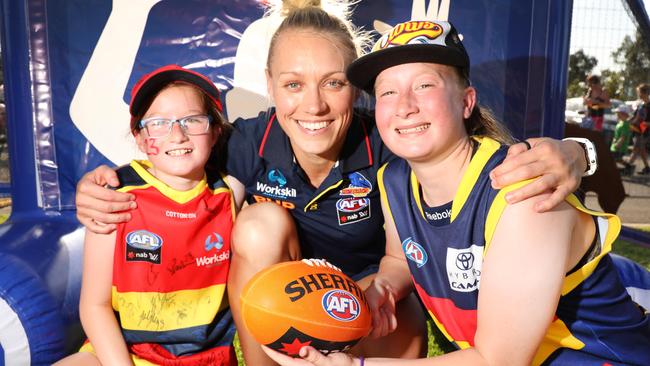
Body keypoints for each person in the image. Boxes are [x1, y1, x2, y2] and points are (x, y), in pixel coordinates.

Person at [74, 1, 593, 364]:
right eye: (293, 85)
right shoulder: (247, 141)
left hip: (377, 301)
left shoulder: (392, 137)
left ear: (356, 89)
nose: (314, 105)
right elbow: (172, 155)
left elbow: (473, 157)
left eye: (334, 83)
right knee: (257, 224)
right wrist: (102, 181)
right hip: (288, 295)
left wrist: (577, 152)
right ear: (271, 87)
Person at [262, 20, 650, 366]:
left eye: (424, 85)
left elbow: (498, 360)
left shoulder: (522, 192)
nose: (405, 107)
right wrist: (382, 287)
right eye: (388, 93)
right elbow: (400, 259)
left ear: (466, 101)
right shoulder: (394, 179)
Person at [56, 65, 237, 365]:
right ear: (140, 139)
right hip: (124, 354)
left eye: (192, 120)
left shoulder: (229, 193)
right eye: (158, 123)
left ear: (215, 131)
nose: (177, 134)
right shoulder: (113, 197)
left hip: (205, 359)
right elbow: (94, 306)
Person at [625, 83, 650, 175]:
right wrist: (630, 119)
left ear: (645, 93)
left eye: (639, 92)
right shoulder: (640, 104)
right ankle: (647, 168)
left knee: (637, 148)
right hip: (637, 130)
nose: (638, 94)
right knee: (641, 149)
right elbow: (635, 116)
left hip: (645, 132)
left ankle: (628, 166)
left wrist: (646, 123)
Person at [610, 104, 632, 170]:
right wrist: (614, 140)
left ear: (623, 114)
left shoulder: (625, 124)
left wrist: (618, 144)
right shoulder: (620, 122)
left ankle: (627, 167)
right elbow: (616, 134)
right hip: (614, 145)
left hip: (619, 147)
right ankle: (628, 167)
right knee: (616, 159)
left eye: (618, 113)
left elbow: (623, 136)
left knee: (615, 159)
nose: (616, 114)